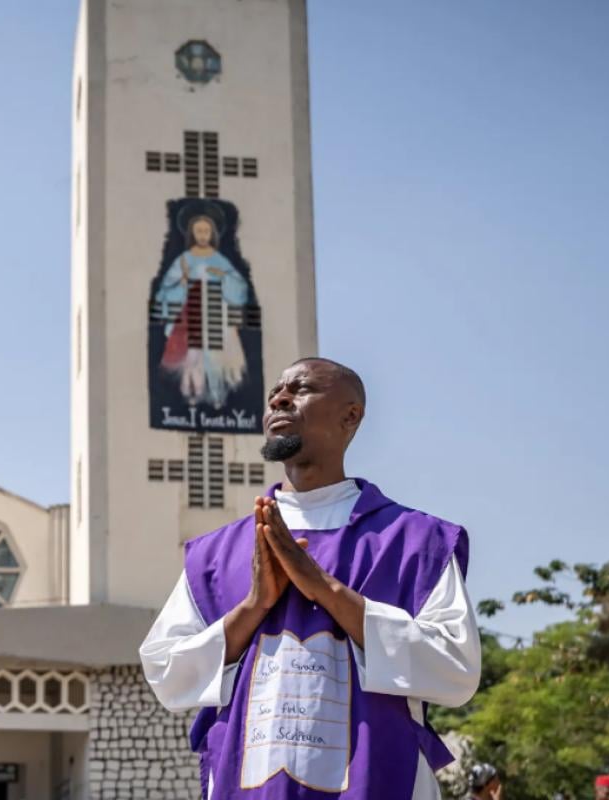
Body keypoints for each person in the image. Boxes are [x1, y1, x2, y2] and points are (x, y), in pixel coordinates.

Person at [139, 358, 482, 799]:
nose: (279, 398)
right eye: (275, 394)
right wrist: (254, 606)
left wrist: (327, 590)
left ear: (350, 415)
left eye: (300, 389)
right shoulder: (216, 554)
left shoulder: (416, 542)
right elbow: (167, 672)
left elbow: (456, 669)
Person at [154, 211, 249, 408]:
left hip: (216, 318)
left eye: (206, 231)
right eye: (199, 231)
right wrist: (183, 282)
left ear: (212, 233)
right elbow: (167, 289)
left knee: (217, 361)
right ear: (193, 234)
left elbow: (238, 286)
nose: (203, 235)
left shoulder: (219, 260)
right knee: (192, 359)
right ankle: (192, 395)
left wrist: (222, 276)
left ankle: (217, 396)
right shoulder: (185, 259)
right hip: (192, 318)